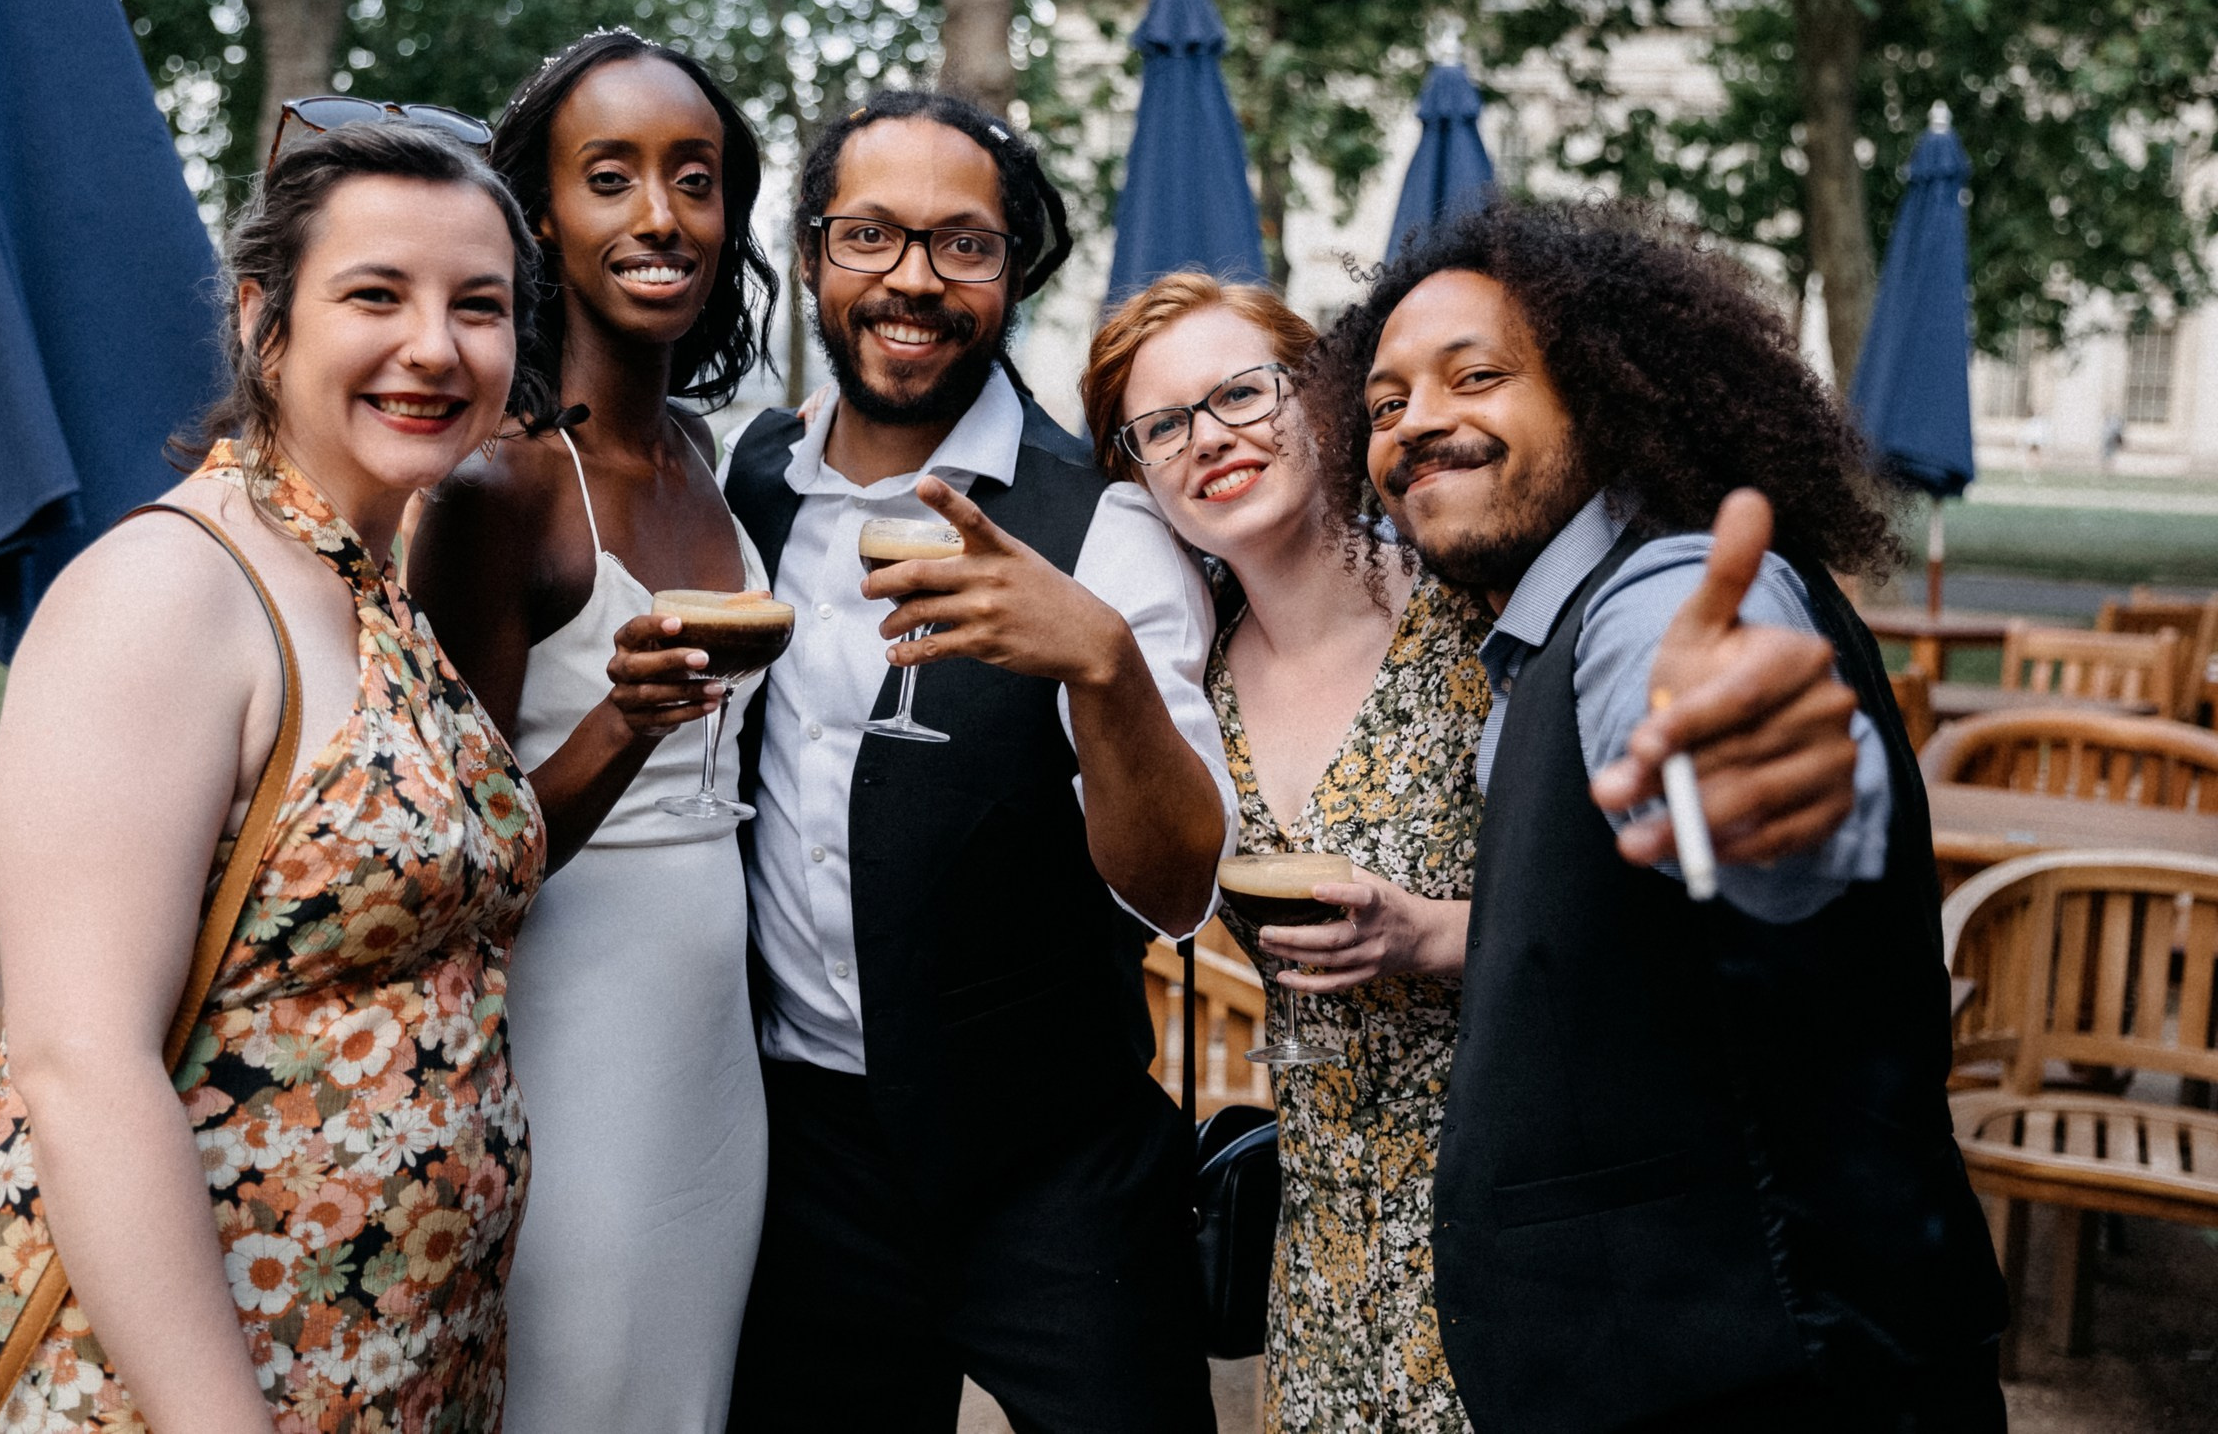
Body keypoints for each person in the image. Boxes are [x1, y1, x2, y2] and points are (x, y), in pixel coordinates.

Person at [0, 118, 554, 1431]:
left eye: (480, 305)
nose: (435, 344)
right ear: (263, 320)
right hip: (162, 1377)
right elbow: (80, 1058)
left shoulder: (366, 576)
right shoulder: (168, 587)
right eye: (375, 294)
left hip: (380, 1353)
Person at [1312, 197, 2008, 1432]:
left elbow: (1740, 796)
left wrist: (1747, 785)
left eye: (1477, 376)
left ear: (1603, 390)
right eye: (1382, 404)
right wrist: (1434, 933)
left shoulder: (1664, 590)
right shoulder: (1529, 634)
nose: (1415, 421)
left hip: (1779, 1374)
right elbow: (1624, 936)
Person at [719, 91, 1236, 1433]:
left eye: (964, 245)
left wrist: (1105, 665)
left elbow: (1180, 887)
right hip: (803, 1157)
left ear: (1014, 271)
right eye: (870, 235)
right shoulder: (751, 485)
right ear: (816, 253)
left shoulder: (1106, 525)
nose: (912, 279)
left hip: (1051, 1160)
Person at [408, 28, 779, 1432]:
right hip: (572, 1031)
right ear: (541, 215)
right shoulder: (500, 485)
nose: (660, 215)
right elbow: (456, 856)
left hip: (714, 1047)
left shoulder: (706, 451)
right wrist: (626, 718)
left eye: (694, 177)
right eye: (609, 176)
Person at [1080, 273, 1484, 1434]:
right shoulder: (1188, 697)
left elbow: (1636, 910)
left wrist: (1434, 933)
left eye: (1241, 394)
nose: (1209, 439)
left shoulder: (1473, 613)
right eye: (1163, 427)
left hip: (1514, 1220)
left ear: (1322, 397)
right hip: (1322, 1252)